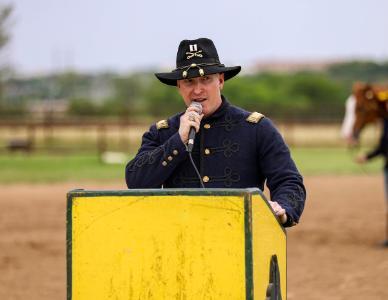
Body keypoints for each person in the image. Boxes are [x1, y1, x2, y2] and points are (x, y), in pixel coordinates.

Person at [125, 38, 306, 227]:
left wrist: (282, 208)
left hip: (240, 237)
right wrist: (178, 141)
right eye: (189, 81)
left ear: (220, 80)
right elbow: (135, 180)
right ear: (179, 86)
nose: (197, 90)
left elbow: (289, 181)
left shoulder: (257, 128)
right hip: (179, 239)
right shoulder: (163, 132)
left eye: (205, 79)